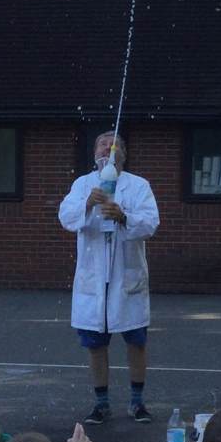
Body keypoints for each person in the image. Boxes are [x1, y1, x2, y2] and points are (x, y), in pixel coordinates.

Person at [58, 130, 159, 423]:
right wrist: (87, 204)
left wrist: (124, 216)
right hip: (93, 278)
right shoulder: (83, 184)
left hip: (125, 277)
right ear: (94, 153)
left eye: (113, 144)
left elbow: (151, 223)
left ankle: (137, 402)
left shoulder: (138, 186)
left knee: (136, 341)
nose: (107, 148)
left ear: (122, 154)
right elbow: (66, 216)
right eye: (102, 144)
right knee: (95, 344)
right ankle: (101, 403)